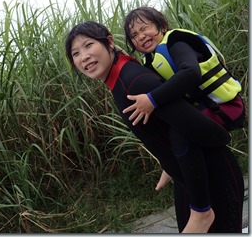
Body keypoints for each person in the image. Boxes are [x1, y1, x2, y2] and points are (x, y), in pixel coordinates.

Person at [65, 21, 244, 233]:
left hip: (213, 183)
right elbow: (168, 128)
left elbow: (208, 132)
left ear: (110, 43)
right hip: (191, 182)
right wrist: (170, 161)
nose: (83, 56)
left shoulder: (135, 82)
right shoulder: (122, 80)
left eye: (88, 45)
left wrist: (200, 206)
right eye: (75, 53)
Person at [123, 6, 245, 188]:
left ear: (162, 26)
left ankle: (193, 195)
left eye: (144, 28)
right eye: (133, 35)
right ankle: (174, 167)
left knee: (180, 133)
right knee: (174, 128)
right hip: (206, 109)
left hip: (227, 107)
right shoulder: (151, 62)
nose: (140, 36)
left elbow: (191, 73)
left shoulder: (176, 43)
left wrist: (152, 99)